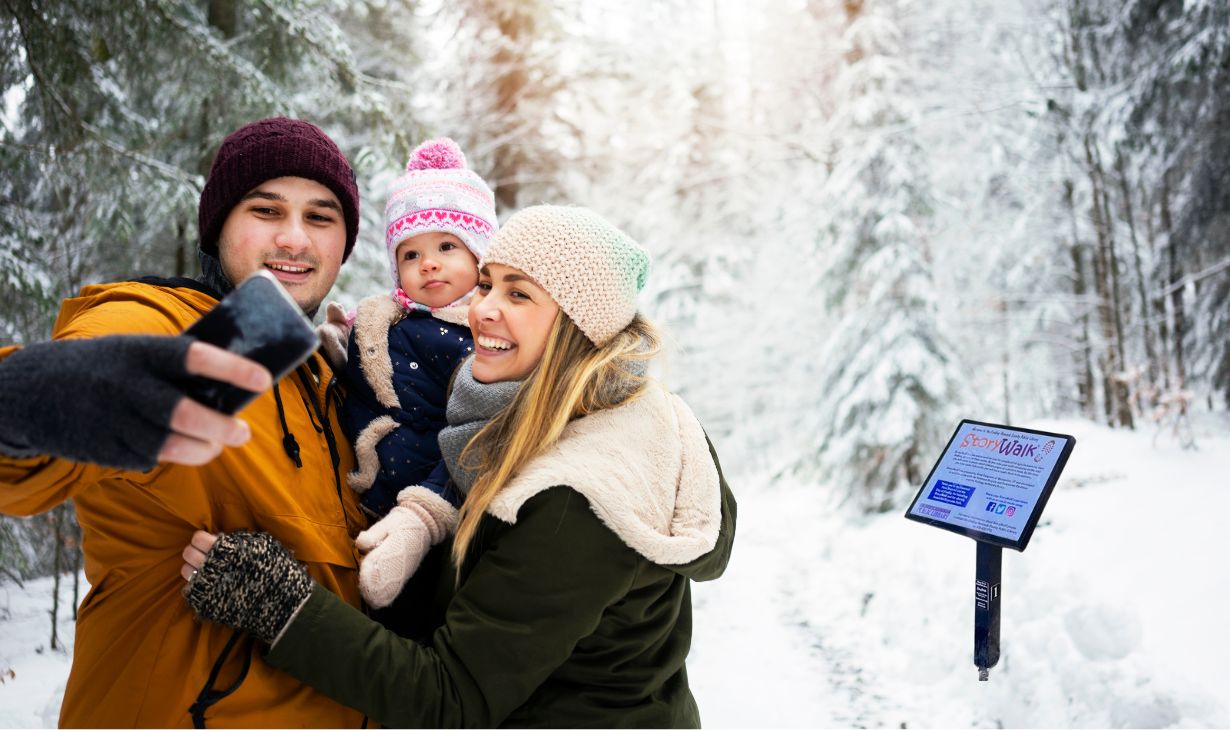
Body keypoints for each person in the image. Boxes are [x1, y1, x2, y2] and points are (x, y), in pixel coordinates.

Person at [181, 205, 738, 728]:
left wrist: (285, 607)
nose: (481, 308)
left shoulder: (577, 497)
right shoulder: (541, 416)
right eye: (488, 282)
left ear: (576, 328)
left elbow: (451, 698)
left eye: (518, 294)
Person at [0, 117, 371, 728]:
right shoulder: (163, 324)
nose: (296, 240)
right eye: (267, 210)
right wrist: (35, 396)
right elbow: (27, 449)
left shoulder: (331, 380)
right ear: (219, 225)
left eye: (321, 217)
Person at [327, 137, 498, 609]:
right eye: (410, 254)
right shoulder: (383, 318)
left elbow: (484, 426)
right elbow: (366, 383)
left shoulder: (484, 333)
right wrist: (344, 351)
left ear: (481, 256)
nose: (428, 263)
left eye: (447, 245)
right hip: (362, 492)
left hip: (436, 494)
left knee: (417, 605)